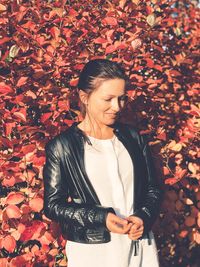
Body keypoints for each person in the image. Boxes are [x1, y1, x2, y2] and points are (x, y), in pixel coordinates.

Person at [43, 59, 162, 267]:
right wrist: (101, 217)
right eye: (108, 99)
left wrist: (142, 216)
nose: (116, 107)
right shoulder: (61, 146)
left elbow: (153, 187)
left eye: (122, 99)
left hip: (140, 248)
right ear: (84, 97)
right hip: (93, 254)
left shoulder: (133, 137)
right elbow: (53, 205)